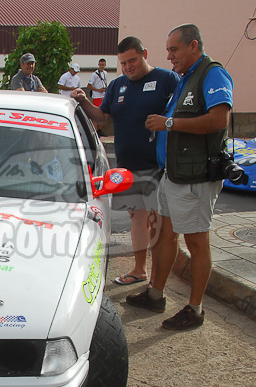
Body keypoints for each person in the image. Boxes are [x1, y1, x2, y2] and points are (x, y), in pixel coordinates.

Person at [126, 23, 233, 331]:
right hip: (174, 174)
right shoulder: (187, 78)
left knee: (196, 243)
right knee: (165, 235)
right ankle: (155, 295)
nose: (169, 56)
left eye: (174, 49)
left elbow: (219, 119)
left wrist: (169, 123)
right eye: (168, 50)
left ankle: (195, 309)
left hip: (195, 178)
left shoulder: (212, 74)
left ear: (193, 46)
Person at [72, 36, 179, 288]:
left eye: (132, 60)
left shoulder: (167, 79)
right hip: (127, 167)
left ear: (144, 54)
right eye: (123, 63)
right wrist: (83, 101)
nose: (128, 66)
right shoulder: (118, 85)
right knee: (136, 218)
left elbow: (179, 115)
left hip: (157, 166)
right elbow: (103, 116)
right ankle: (140, 270)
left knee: (157, 221)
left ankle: (157, 280)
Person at [87, 59, 109, 134]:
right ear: (98, 65)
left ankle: (100, 130)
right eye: (100, 65)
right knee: (96, 113)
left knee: (102, 112)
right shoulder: (94, 74)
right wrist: (98, 90)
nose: (101, 66)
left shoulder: (105, 73)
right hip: (96, 96)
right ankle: (95, 130)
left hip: (103, 95)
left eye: (103, 65)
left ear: (105, 65)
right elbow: (89, 86)